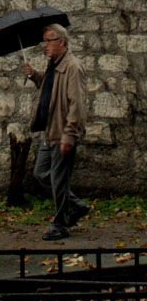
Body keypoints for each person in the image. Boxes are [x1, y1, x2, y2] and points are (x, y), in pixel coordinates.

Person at [24, 24, 89, 241]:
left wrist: (69, 136)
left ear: (61, 42)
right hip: (49, 130)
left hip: (62, 132)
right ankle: (76, 206)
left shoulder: (73, 67)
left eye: (49, 40)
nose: (45, 45)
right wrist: (35, 76)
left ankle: (60, 224)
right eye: (44, 41)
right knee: (41, 173)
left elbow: (77, 104)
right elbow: (51, 90)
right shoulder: (54, 65)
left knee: (60, 180)